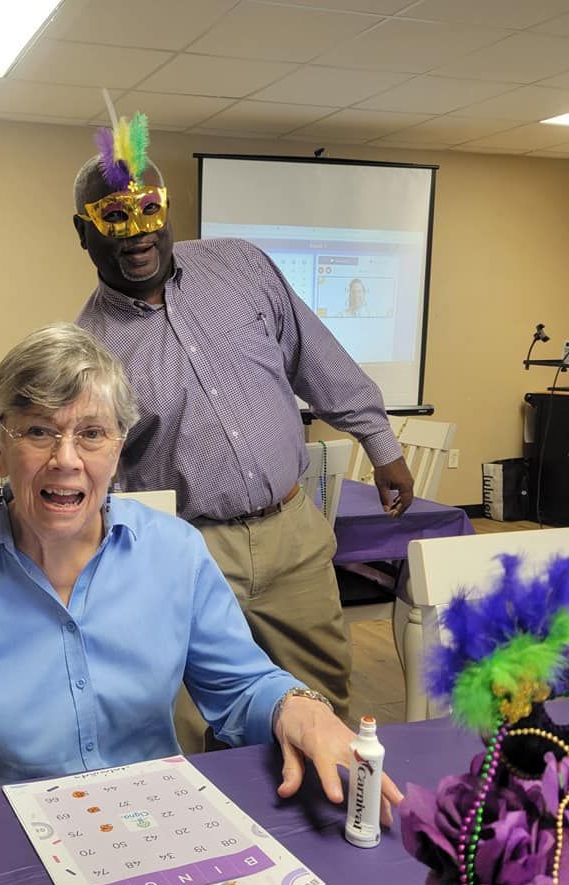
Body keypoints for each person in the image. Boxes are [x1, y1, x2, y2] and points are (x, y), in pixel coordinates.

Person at [0, 324, 403, 825]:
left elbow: (241, 688)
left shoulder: (175, 555)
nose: (65, 459)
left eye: (91, 433)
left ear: (119, 448)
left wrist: (299, 709)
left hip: (157, 830)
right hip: (10, 850)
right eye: (39, 433)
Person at [72, 113, 413, 726]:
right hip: (185, 549)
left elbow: (317, 356)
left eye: (148, 211)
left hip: (293, 532)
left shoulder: (240, 266)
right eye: (114, 219)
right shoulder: (88, 350)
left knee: (323, 706)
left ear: (167, 208)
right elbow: (101, 477)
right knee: (195, 723)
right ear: (84, 232)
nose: (136, 234)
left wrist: (379, 440)